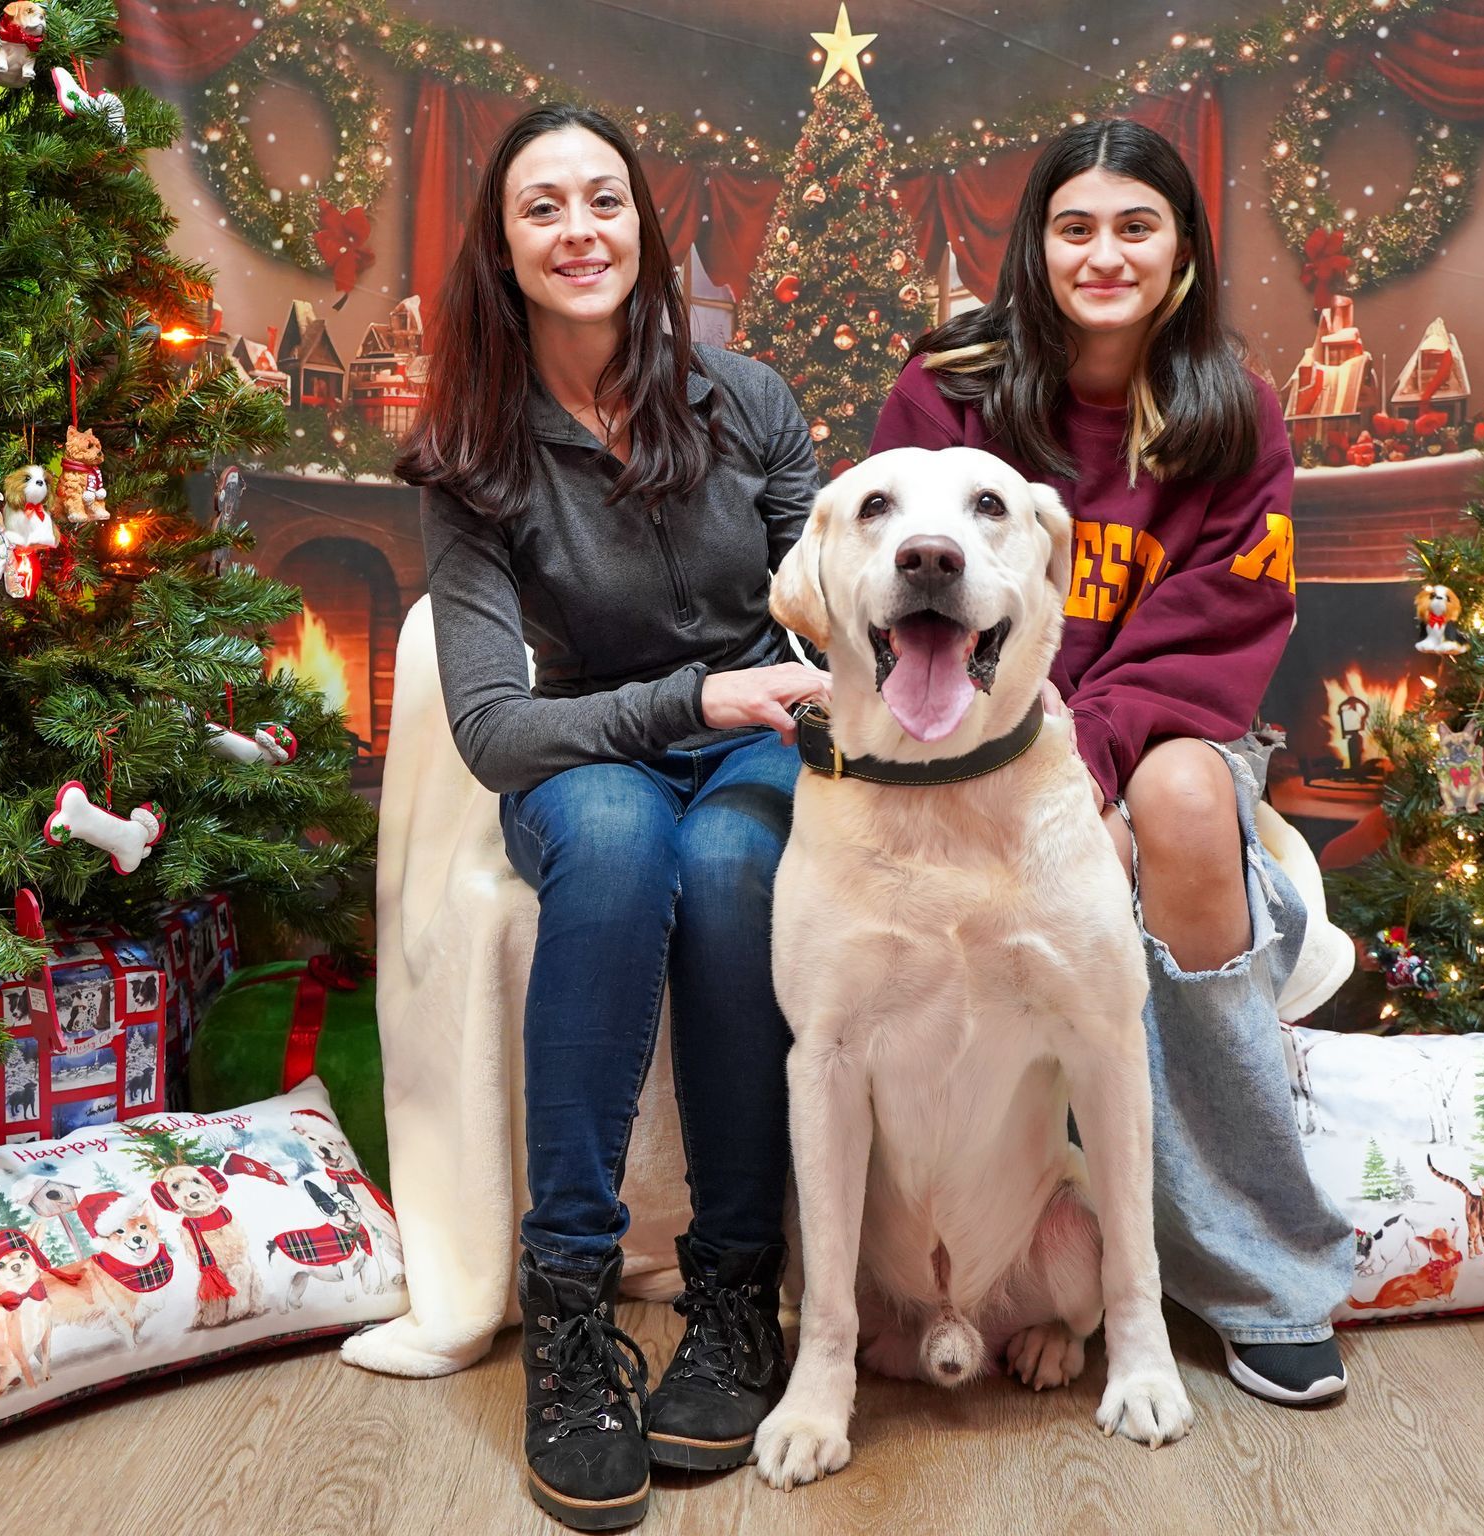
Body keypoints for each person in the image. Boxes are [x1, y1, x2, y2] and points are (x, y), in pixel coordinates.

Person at [869, 118, 1355, 1406]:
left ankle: (1256, 1273)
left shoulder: (1233, 415)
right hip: (964, 737)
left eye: (1136, 225)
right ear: (1035, 243)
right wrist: (1029, 748)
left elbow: (1222, 618)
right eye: (1074, 226)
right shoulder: (949, 386)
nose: (1104, 253)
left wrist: (1090, 750)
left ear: (1183, 249)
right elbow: (896, 580)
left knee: (1187, 799)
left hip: (1141, 739)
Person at [397, 103, 829, 1528]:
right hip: (592, 746)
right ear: (503, 246)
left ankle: (730, 1297)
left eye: (604, 201)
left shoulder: (748, 400)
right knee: (628, 835)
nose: (578, 231)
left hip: (757, 746)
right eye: (543, 208)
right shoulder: (469, 450)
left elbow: (822, 624)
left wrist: (760, 705)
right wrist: (684, 707)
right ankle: (570, 1315)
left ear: (643, 224)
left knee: (724, 855)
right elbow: (492, 727)